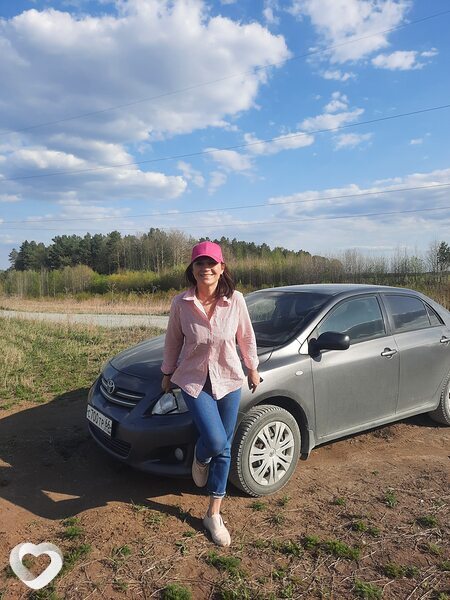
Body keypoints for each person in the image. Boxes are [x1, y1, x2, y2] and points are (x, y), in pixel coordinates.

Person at [161, 241, 260, 546]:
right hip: (194, 381)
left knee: (225, 447)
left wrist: (252, 368)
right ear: (192, 269)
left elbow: (245, 336)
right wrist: (166, 373)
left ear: (221, 267)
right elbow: (173, 341)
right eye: (199, 263)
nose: (206, 268)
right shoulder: (181, 303)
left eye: (211, 263)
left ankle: (213, 514)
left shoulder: (236, 300)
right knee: (216, 441)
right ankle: (201, 456)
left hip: (228, 379)